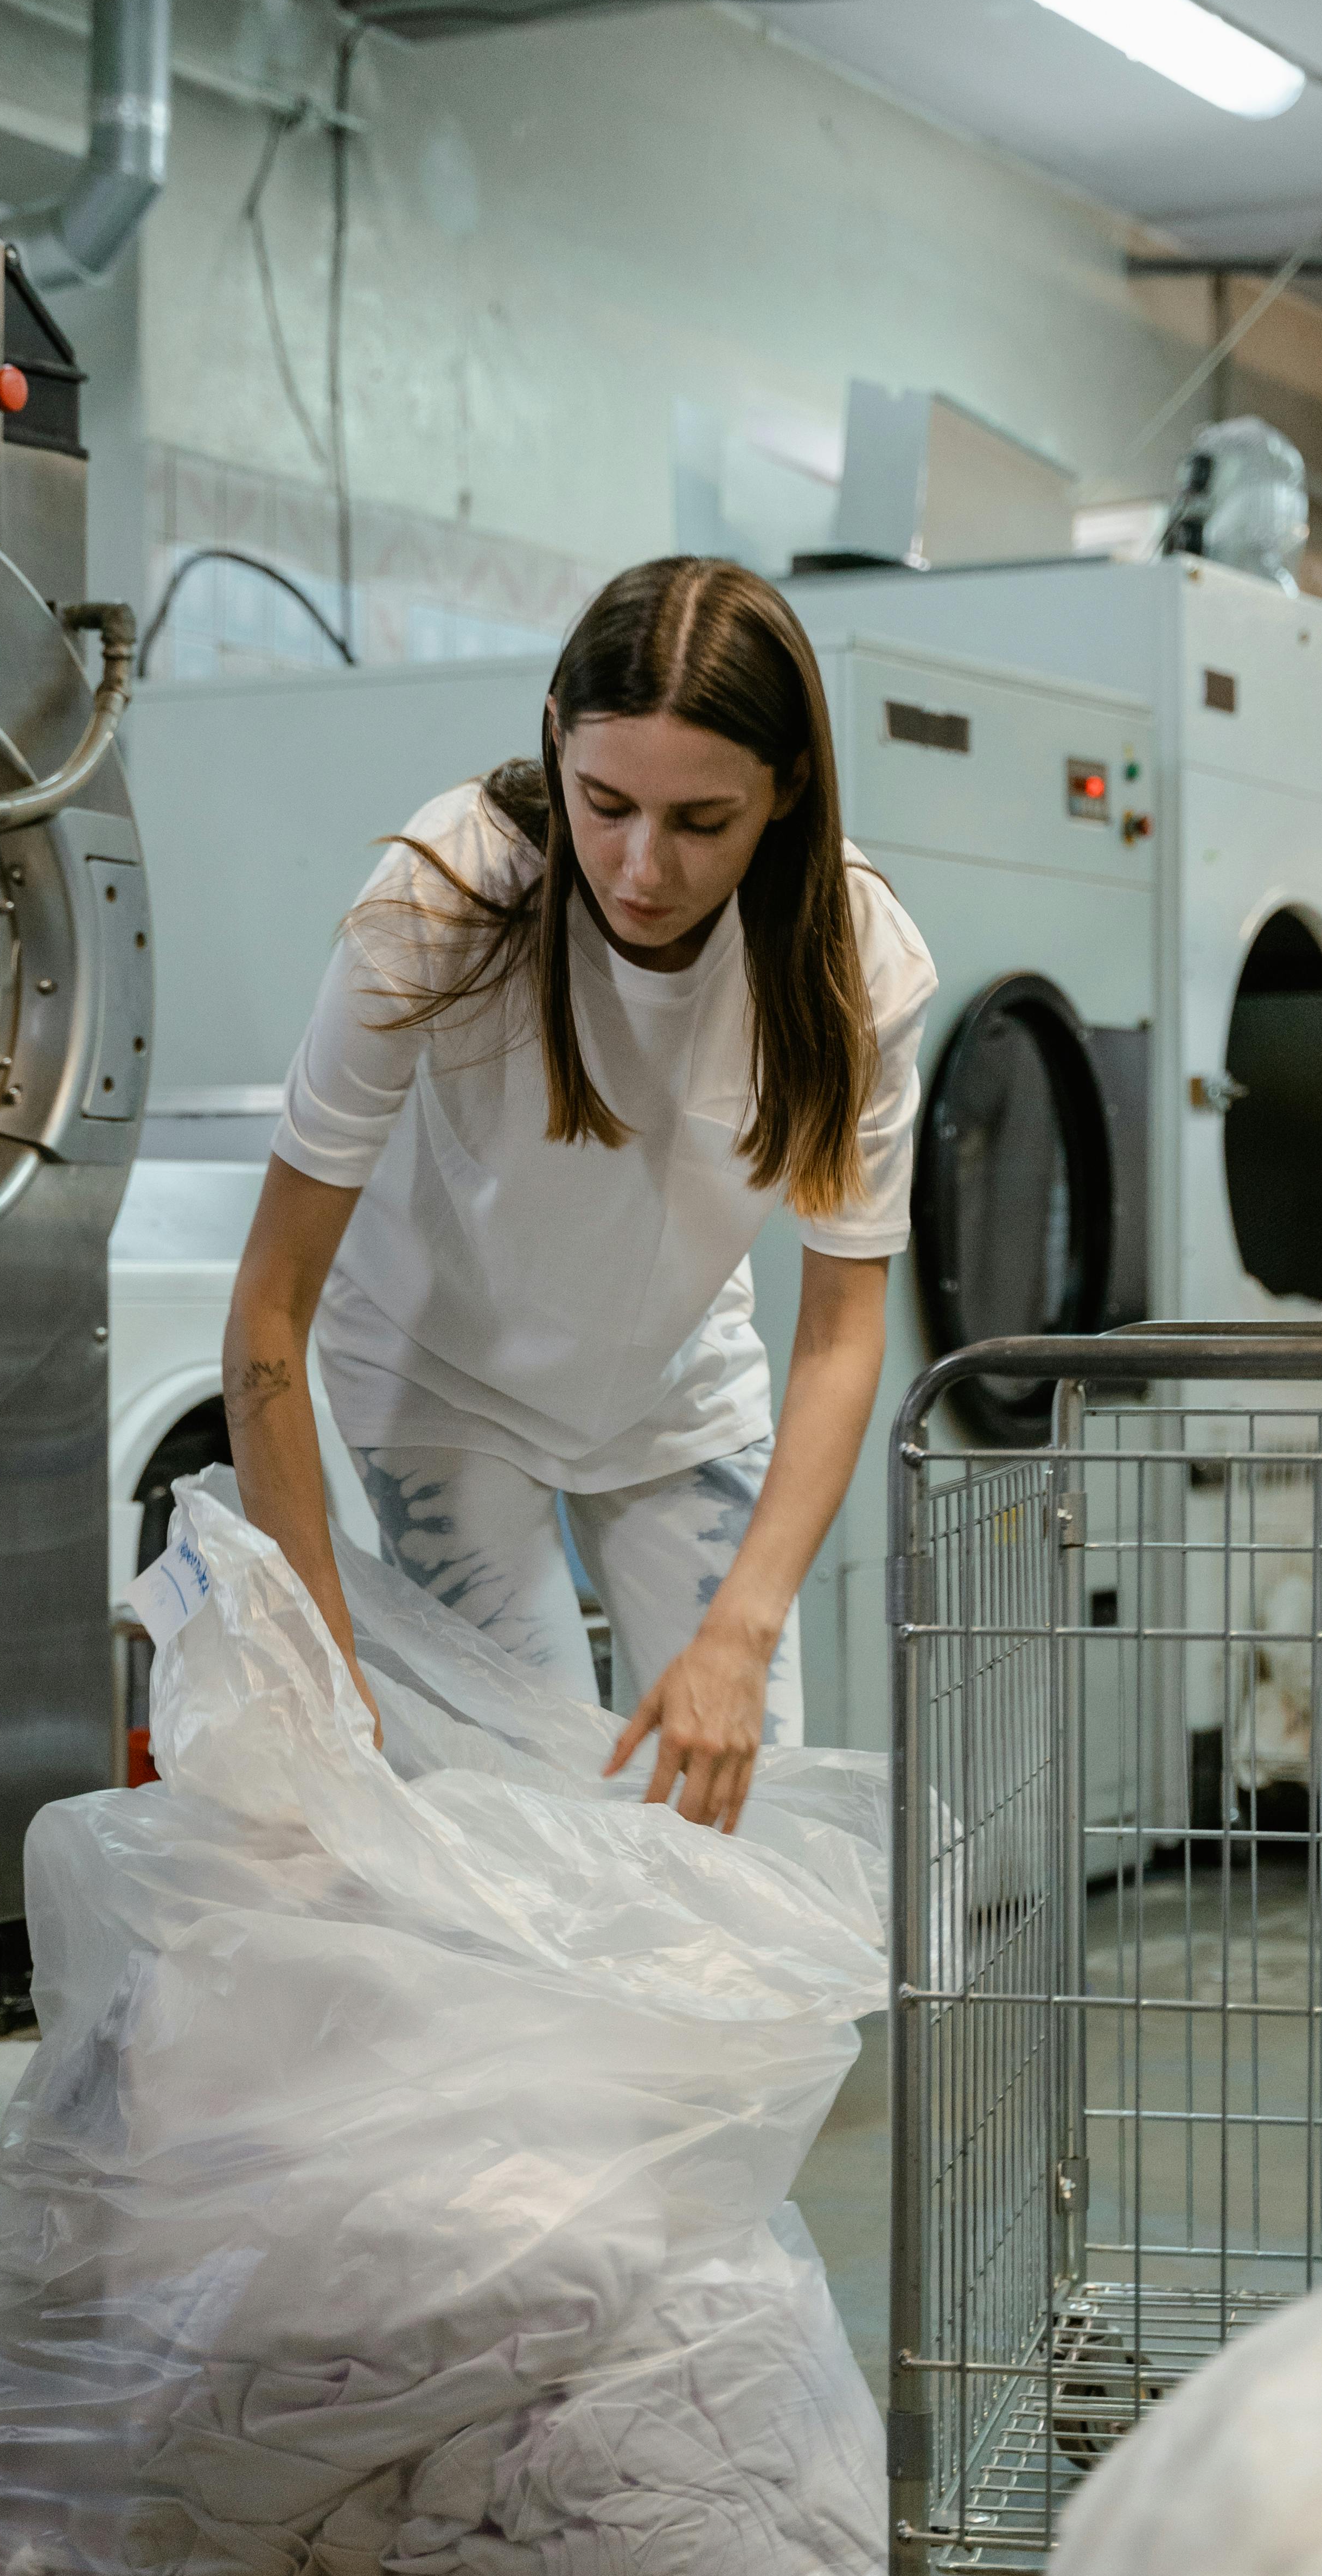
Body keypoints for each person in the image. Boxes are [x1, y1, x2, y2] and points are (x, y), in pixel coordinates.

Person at [223, 555, 937, 1832]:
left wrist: (744, 1629)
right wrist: (316, 1642)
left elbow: (840, 1332)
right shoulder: (443, 900)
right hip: (443, 1383)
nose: (641, 866)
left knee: (739, 1838)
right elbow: (272, 1297)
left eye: (701, 821)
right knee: (531, 1833)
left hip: (675, 1392)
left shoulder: (854, 960)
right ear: (554, 736)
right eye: (603, 801)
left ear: (786, 795)